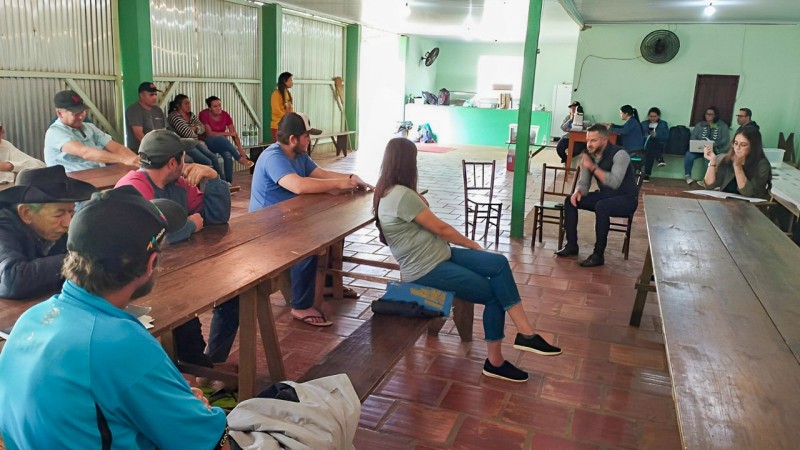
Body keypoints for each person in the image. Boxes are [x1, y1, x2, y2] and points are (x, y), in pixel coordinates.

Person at [0, 186, 230, 449]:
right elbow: (211, 443)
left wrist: (177, 403)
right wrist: (198, 411)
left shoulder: (30, 319)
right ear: (151, 262)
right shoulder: (121, 343)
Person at [374, 137, 561, 382]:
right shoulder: (401, 195)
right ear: (408, 163)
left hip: (441, 255)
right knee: (494, 294)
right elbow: (441, 229)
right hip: (427, 268)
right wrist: (471, 244)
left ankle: (526, 333)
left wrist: (417, 197)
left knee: (498, 263)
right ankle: (495, 362)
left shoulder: (390, 191)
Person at [116, 129, 239, 366]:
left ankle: (207, 364)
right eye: (184, 157)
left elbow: (216, 218)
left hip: (180, 269)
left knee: (233, 294)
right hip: (142, 282)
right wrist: (190, 226)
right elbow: (149, 241)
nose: (187, 162)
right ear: (174, 162)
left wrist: (213, 177)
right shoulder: (132, 188)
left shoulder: (179, 184)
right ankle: (194, 370)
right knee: (182, 312)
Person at [249, 112, 371, 326]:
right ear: (293, 139)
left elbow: (321, 174)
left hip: (289, 218)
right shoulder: (274, 157)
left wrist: (350, 178)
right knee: (307, 244)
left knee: (335, 230)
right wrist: (338, 184)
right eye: (307, 136)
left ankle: (329, 283)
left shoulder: (299, 155)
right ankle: (301, 305)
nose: (310, 140)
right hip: (266, 227)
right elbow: (299, 185)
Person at [0, 165, 95, 299]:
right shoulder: (3, 226)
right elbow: (12, 281)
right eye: (58, 214)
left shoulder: (59, 225)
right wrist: (80, 258)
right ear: (26, 213)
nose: (68, 223)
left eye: (71, 211)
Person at [556, 124, 639, 268]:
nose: (589, 144)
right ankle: (571, 245)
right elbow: (584, 183)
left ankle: (598, 255)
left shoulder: (620, 154)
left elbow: (614, 182)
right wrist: (578, 191)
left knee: (602, 207)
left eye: (593, 140)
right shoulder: (589, 155)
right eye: (588, 140)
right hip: (606, 196)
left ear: (604, 140)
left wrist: (592, 167)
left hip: (626, 199)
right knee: (570, 201)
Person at [44, 90, 140, 172]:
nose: (82, 116)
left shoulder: (89, 127)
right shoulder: (55, 132)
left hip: (96, 175)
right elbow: (85, 152)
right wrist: (123, 159)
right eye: (76, 113)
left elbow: (117, 148)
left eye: (83, 111)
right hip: (69, 182)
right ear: (59, 113)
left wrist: (137, 162)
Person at [703, 127, 772, 200]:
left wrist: (737, 166)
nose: (737, 148)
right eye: (735, 143)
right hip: (726, 203)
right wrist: (712, 161)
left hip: (749, 206)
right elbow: (709, 185)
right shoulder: (728, 159)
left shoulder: (762, 164)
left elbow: (748, 193)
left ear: (753, 147)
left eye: (743, 145)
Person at [167, 93, 224, 178]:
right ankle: (213, 185)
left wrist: (194, 128)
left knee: (213, 157)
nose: (189, 105)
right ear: (179, 106)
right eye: (186, 103)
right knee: (207, 161)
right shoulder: (174, 116)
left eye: (189, 103)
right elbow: (187, 134)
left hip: (194, 142)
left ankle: (223, 182)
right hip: (183, 144)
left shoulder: (191, 115)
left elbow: (202, 128)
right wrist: (195, 129)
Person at [199, 95, 254, 183]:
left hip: (222, 143)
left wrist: (240, 149)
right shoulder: (204, 114)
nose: (218, 108)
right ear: (209, 108)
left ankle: (228, 182)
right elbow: (210, 134)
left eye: (219, 105)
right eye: (215, 106)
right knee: (222, 139)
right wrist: (228, 133)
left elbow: (234, 134)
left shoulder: (225, 115)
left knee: (228, 155)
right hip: (208, 142)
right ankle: (239, 159)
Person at [684, 106, 730, 185]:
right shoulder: (700, 125)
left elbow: (725, 139)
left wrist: (716, 144)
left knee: (708, 159)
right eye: (707, 114)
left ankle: (707, 181)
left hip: (714, 150)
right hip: (699, 149)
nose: (708, 116)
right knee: (689, 155)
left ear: (715, 115)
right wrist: (698, 143)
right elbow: (693, 137)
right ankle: (688, 176)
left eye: (710, 114)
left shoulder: (722, 126)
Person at [0, 120, 46, 184]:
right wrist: (13, 176)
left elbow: (40, 166)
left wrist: (10, 166)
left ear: (2, 132)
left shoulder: (5, 146)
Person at [126, 82, 167, 151]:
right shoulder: (134, 110)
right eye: (151, 95)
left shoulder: (157, 110)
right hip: (142, 150)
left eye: (155, 94)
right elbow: (139, 134)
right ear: (141, 95)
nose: (154, 97)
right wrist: (155, 149)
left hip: (161, 147)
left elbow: (164, 131)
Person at [640, 107, 669, 181]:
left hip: (659, 144)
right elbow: (639, 135)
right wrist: (647, 136)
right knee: (651, 146)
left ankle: (646, 175)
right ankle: (659, 159)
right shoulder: (643, 124)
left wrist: (657, 135)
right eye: (651, 116)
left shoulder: (663, 124)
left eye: (654, 116)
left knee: (651, 147)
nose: (652, 118)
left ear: (658, 116)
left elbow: (666, 136)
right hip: (645, 144)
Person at [270, 72, 294, 142]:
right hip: (278, 126)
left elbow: (290, 109)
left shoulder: (288, 93)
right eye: (290, 80)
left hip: (287, 126)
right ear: (284, 81)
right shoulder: (276, 94)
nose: (292, 82)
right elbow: (276, 111)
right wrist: (287, 117)